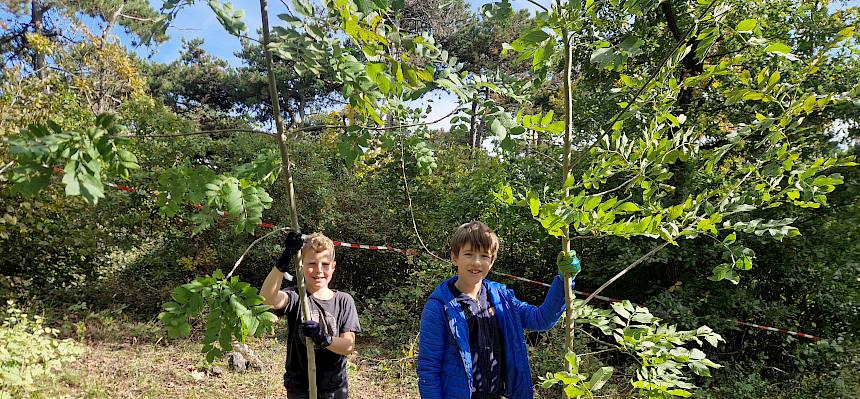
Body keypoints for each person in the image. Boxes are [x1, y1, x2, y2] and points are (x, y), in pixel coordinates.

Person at [416, 221, 581, 399]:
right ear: (455, 257)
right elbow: (429, 368)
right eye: (468, 254)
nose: (476, 262)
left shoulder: (502, 297)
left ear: (492, 261)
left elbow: (541, 319)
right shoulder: (440, 306)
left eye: (484, 256)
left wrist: (564, 280)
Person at [261, 231, 361, 399]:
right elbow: (267, 299)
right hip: (300, 389)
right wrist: (285, 258)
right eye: (312, 263)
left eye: (325, 264)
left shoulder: (344, 301)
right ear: (300, 266)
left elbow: (348, 346)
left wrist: (324, 338)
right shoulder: (295, 297)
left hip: (334, 388)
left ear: (333, 267)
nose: (319, 270)